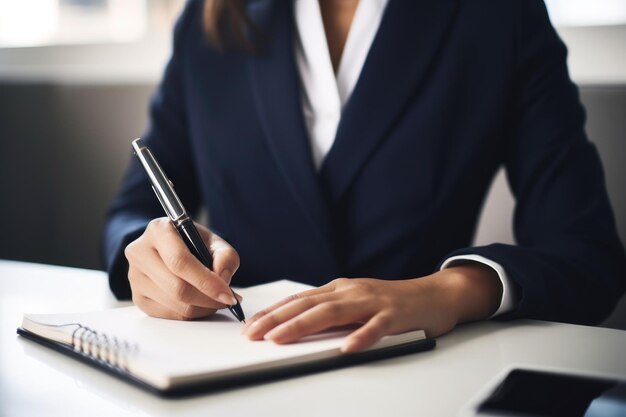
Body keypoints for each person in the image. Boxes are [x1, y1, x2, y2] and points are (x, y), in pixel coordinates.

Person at [103, 0, 626, 353]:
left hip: (417, 377)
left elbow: (585, 254)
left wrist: (448, 292)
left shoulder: (498, 15)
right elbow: (129, 211)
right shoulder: (212, 17)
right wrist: (147, 256)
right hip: (238, 365)